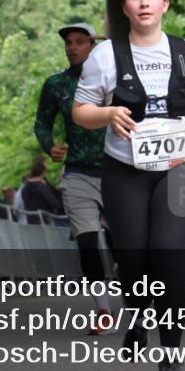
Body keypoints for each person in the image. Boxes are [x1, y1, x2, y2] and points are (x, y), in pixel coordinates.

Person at [73, 0, 185, 371]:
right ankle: (139, 314)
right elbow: (81, 111)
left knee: (168, 255)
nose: (144, 2)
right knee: (134, 259)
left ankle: (171, 355)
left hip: (181, 164)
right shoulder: (105, 57)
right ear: (125, 7)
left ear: (164, 5)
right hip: (125, 168)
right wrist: (107, 113)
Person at [35, 21, 115, 333]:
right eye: (69, 42)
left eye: (80, 41)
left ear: (93, 47)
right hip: (78, 174)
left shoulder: (115, 80)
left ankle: (139, 306)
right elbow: (42, 124)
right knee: (87, 244)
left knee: (125, 246)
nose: (72, 47)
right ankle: (104, 312)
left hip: (117, 171)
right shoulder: (56, 85)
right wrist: (50, 146)